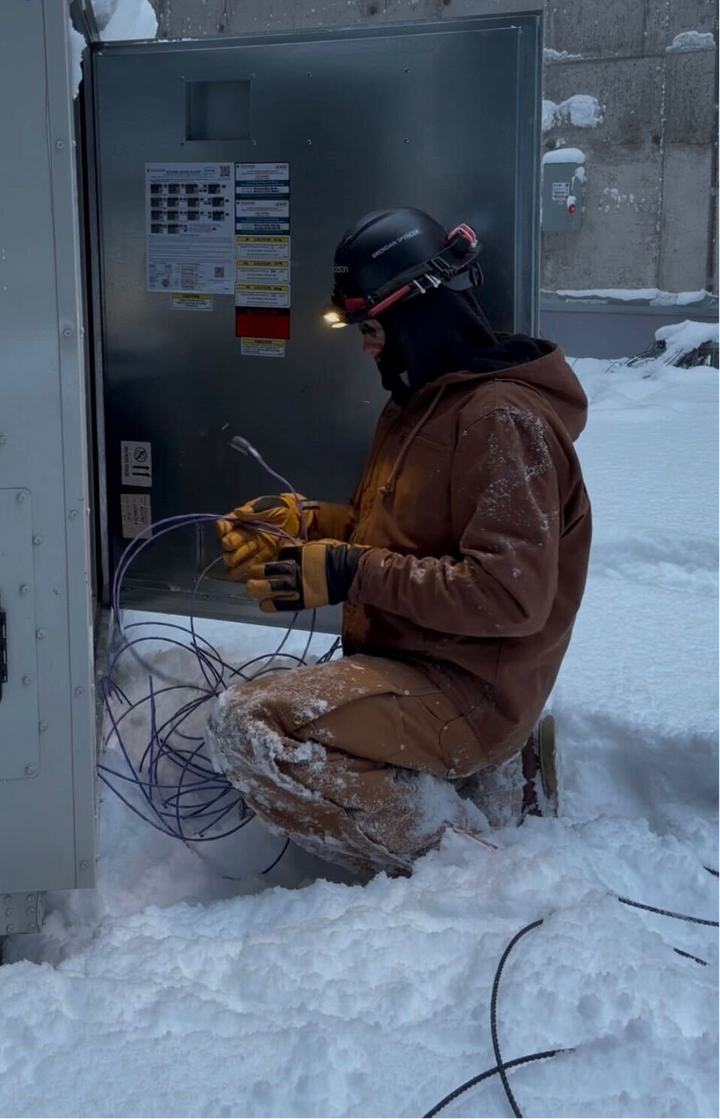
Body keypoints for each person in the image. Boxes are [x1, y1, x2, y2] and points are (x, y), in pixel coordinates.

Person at [207, 207, 591, 877]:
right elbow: (394, 536)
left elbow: (510, 595)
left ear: (422, 314)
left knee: (249, 726)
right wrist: (301, 525)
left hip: (466, 692)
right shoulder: (417, 406)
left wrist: (352, 572)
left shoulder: (502, 420)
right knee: (259, 716)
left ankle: (455, 852)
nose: (367, 346)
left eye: (374, 328)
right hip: (411, 664)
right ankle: (487, 778)